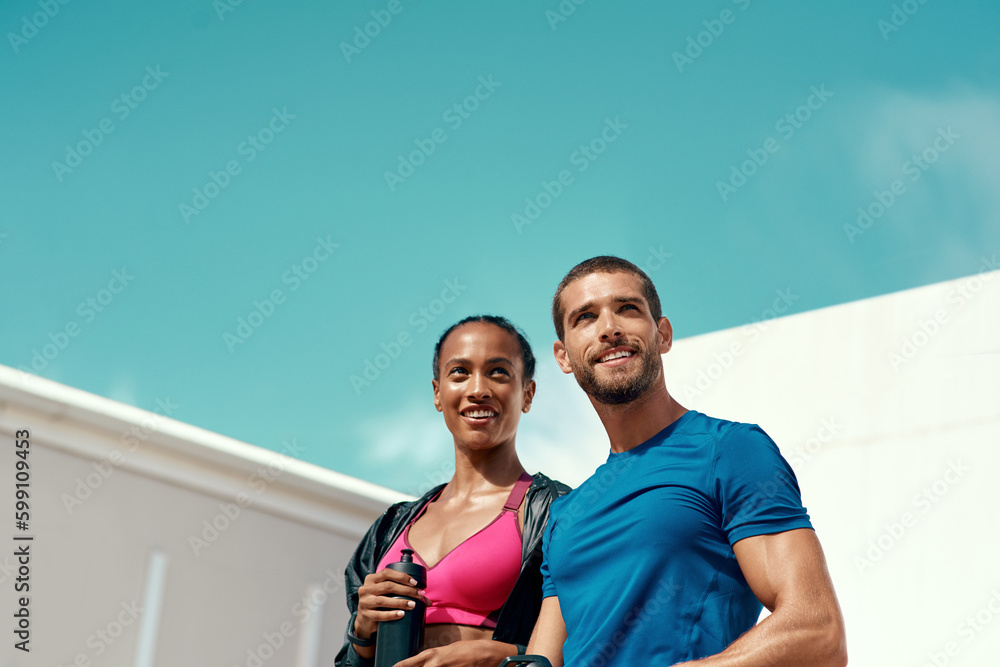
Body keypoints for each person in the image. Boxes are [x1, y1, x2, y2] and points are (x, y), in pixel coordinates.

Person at [525, 257, 847, 666]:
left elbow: (817, 631)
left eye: (627, 308)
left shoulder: (732, 451)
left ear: (663, 334)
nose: (609, 328)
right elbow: (542, 660)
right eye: (585, 317)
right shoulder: (564, 515)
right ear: (563, 357)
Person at [335, 315, 570, 667]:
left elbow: (595, 643)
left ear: (527, 394)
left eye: (498, 372)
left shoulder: (557, 511)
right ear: (437, 393)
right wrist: (363, 632)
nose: (478, 389)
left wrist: (498, 656)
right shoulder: (390, 526)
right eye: (460, 372)